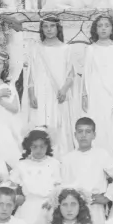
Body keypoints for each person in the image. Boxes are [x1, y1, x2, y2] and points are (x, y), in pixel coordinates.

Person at [24, 16, 76, 155]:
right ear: (42, 29)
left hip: (58, 93)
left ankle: (60, 156)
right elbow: (31, 74)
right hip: (40, 93)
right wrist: (31, 94)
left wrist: (64, 90)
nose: (49, 29)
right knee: (40, 122)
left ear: (58, 28)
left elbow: (71, 74)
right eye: (45, 26)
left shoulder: (66, 49)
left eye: (52, 26)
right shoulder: (36, 49)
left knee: (59, 123)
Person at [60, 117, 113, 224]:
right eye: (80, 131)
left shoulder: (101, 154)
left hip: (95, 206)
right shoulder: (67, 159)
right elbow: (62, 186)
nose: (83, 135)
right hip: (73, 208)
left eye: (88, 131)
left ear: (94, 135)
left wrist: (108, 196)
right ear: (75, 135)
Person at [82, 15, 113, 154]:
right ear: (95, 29)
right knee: (98, 121)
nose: (103, 28)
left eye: (107, 25)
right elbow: (86, 73)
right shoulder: (91, 49)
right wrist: (84, 95)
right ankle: (98, 154)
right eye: (100, 25)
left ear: (112, 29)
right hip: (96, 91)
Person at [11, 129, 62, 224]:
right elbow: (10, 185)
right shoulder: (22, 165)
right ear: (29, 146)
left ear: (47, 146)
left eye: (42, 146)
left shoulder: (54, 163)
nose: (38, 150)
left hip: (49, 206)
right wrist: (16, 197)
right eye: (34, 147)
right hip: (28, 207)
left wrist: (53, 201)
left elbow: (59, 187)